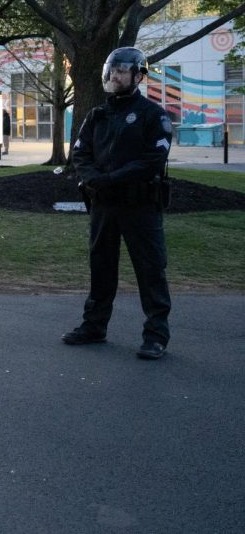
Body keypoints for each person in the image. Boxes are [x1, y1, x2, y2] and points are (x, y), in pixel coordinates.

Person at [64, 46, 173, 360]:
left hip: (140, 207)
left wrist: (111, 179)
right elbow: (80, 152)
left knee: (151, 269)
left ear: (138, 76)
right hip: (104, 207)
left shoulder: (154, 116)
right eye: (112, 70)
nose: (115, 76)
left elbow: (152, 160)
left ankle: (156, 335)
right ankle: (94, 327)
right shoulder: (98, 115)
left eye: (122, 71)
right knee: (101, 267)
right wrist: (92, 177)